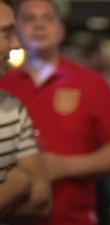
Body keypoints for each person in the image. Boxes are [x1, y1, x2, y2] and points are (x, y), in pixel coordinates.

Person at [0, 0, 110, 225]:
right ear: (17, 29)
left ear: (62, 28)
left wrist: (64, 166)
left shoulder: (91, 83)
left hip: (72, 217)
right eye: (29, 18)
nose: (39, 25)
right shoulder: (5, 85)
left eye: (48, 18)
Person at [0, 0, 51, 221]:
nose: (16, 44)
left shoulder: (13, 109)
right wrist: (18, 184)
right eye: (5, 33)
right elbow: (29, 185)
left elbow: (42, 200)